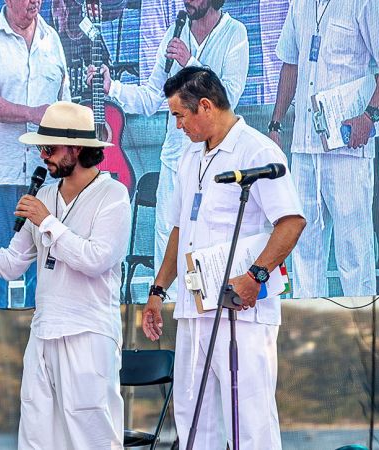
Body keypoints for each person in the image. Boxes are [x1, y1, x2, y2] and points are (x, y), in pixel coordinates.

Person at [0, 101, 130, 449]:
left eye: (48, 148)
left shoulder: (113, 195)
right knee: (36, 434)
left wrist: (46, 222)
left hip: (89, 331)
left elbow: (97, 259)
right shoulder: (45, 194)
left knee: (90, 433)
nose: (42, 156)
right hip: (44, 331)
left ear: (77, 148)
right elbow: (10, 262)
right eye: (40, 148)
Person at [141, 67, 306, 449]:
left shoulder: (256, 149)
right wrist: (157, 289)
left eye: (180, 116)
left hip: (241, 309)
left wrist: (256, 276)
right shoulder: (189, 156)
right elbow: (180, 230)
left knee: (248, 420)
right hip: (193, 308)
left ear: (205, 107)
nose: (178, 125)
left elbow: (292, 221)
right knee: (192, 415)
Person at [92, 0, 249, 300]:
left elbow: (227, 99)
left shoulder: (235, 34)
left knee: (208, 240)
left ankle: (210, 316)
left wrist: (191, 63)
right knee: (168, 239)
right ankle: (169, 319)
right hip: (175, 159)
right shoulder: (175, 33)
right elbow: (153, 97)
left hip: (214, 161)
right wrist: (113, 88)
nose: (188, 2)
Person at [270, 0, 379, 297]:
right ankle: (310, 332)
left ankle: (362, 335)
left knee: (353, 248)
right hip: (304, 145)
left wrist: (369, 115)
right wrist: (276, 124)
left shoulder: (364, 2)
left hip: (347, 146)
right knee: (303, 245)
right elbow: (290, 63)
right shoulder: (299, 5)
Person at [0, 0, 70, 308]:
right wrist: (34, 113)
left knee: (44, 263)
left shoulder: (53, 40)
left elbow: (64, 105)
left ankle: (41, 340)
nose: (34, 2)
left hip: (46, 172)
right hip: (1, 170)